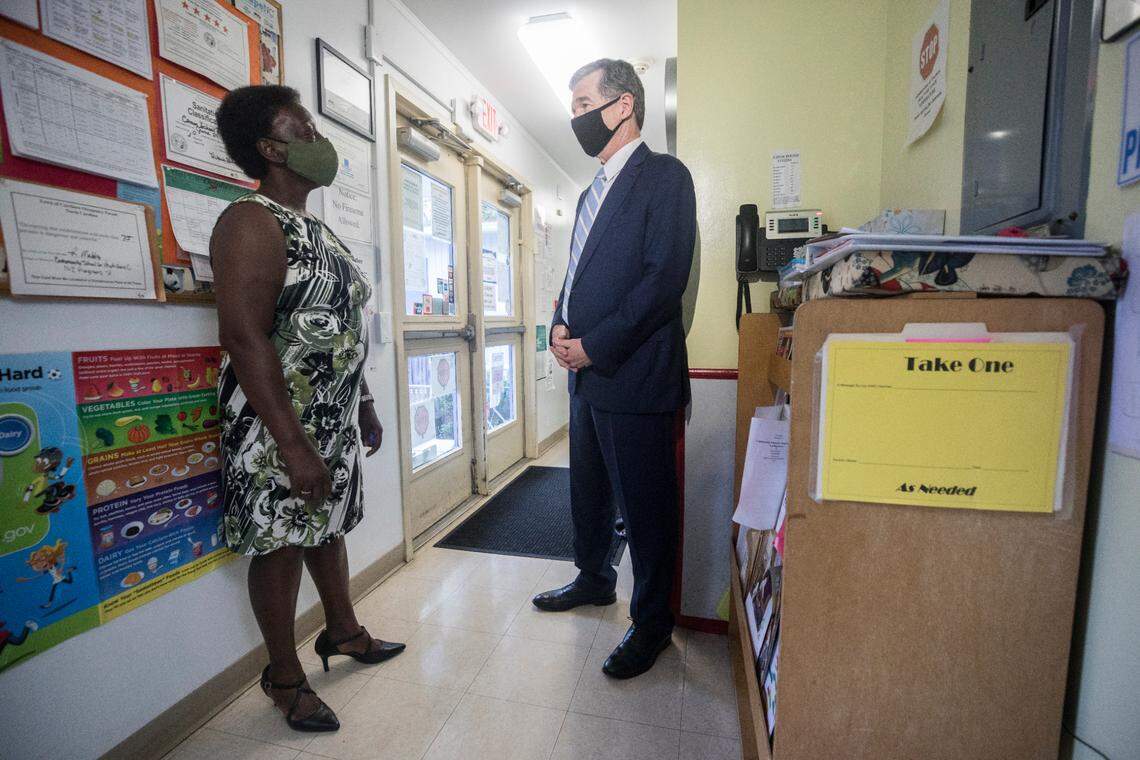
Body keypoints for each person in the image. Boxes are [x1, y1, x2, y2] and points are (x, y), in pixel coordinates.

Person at [213, 85, 404, 733]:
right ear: (271, 148)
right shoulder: (249, 220)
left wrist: (365, 403)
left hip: (330, 419)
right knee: (281, 543)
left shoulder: (314, 227)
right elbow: (244, 336)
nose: (320, 141)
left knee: (327, 527)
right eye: (307, 129)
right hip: (274, 428)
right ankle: (284, 676)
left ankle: (343, 632)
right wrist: (292, 445)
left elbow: (336, 324)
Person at [533, 59, 696, 679]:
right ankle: (594, 578)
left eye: (582, 104)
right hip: (585, 374)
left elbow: (663, 281)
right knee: (590, 491)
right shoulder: (586, 195)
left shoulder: (665, 178)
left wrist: (596, 344)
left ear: (622, 105)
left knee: (646, 504)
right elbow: (576, 274)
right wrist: (557, 320)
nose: (574, 117)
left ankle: (652, 623)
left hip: (632, 372)